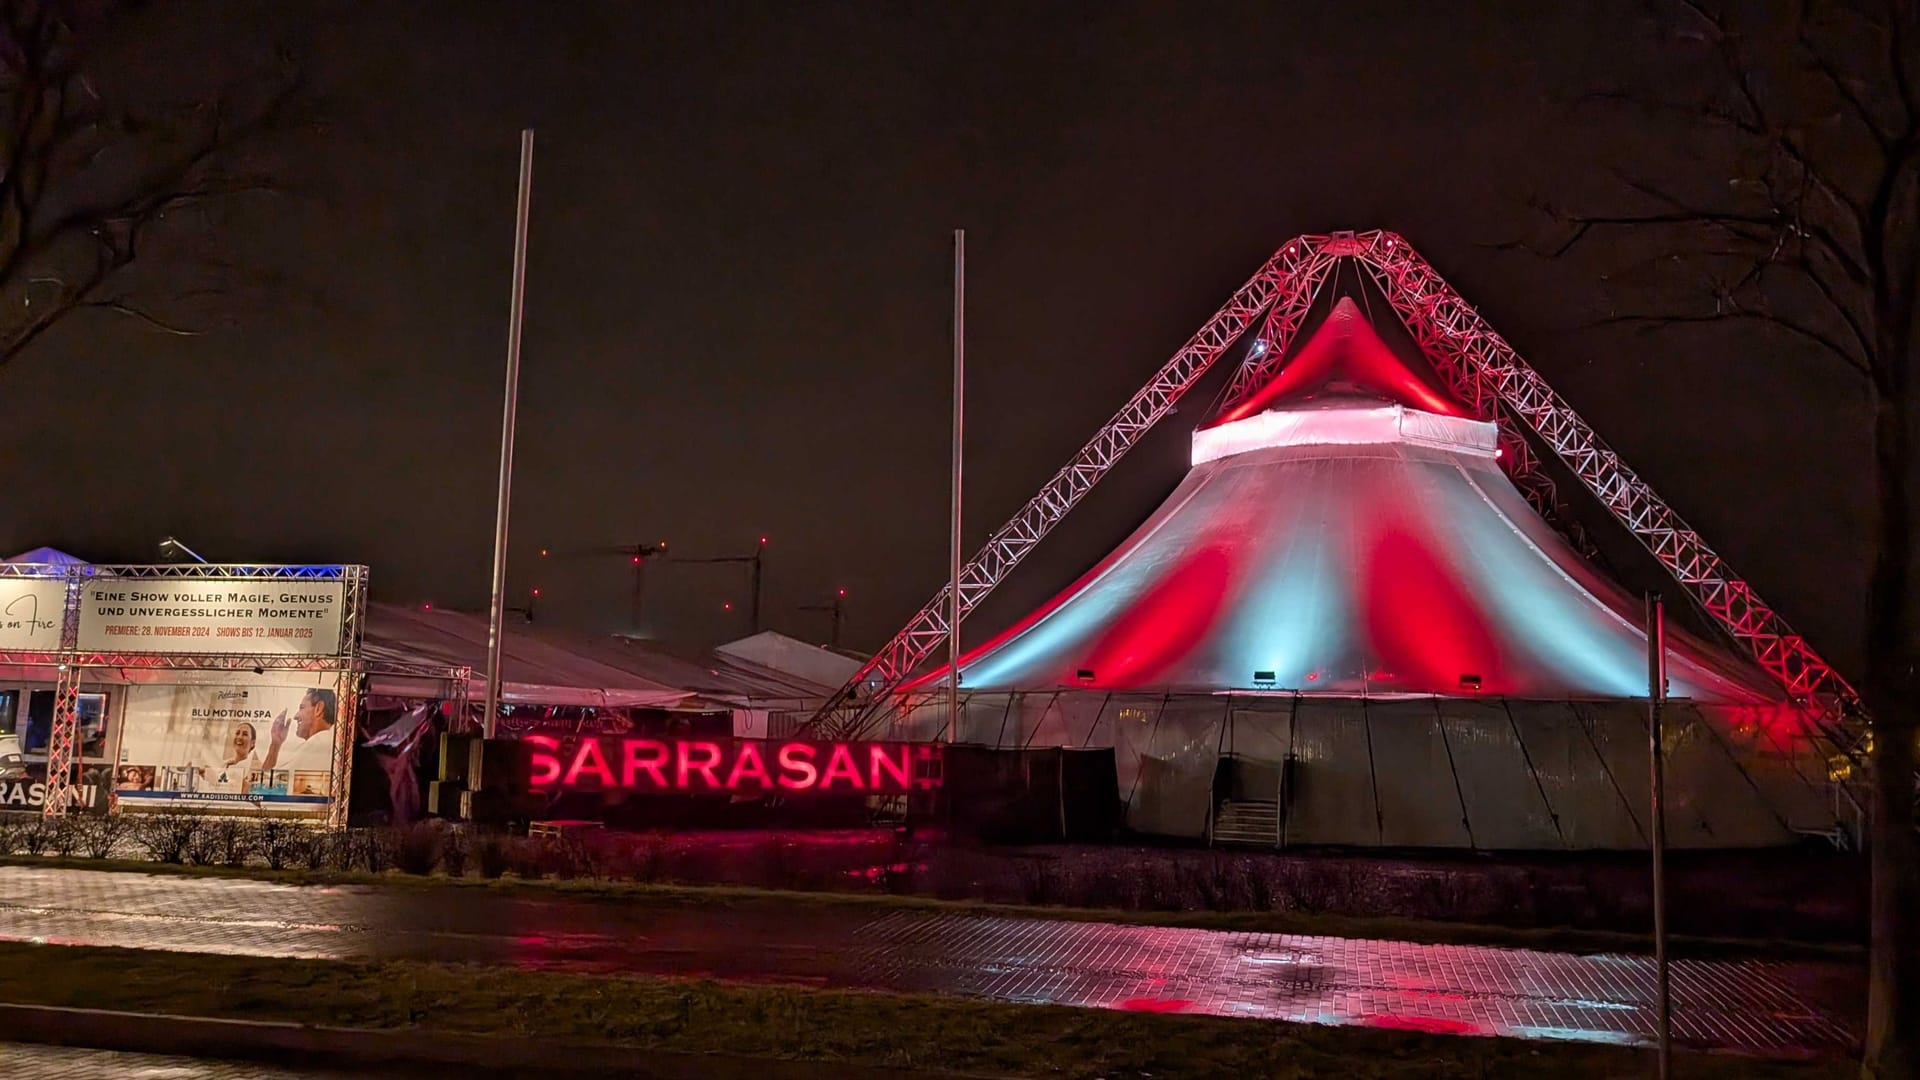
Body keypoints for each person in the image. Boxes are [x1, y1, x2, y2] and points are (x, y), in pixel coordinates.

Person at [263, 688, 337, 776]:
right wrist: (276, 743)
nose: (295, 716)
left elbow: (269, 782)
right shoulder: (325, 742)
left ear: (319, 709)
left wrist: (274, 746)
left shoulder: (316, 745)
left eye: (302, 708)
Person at [196, 722, 260, 794]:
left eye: (245, 734)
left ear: (252, 743)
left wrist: (215, 780)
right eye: (237, 733)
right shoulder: (223, 764)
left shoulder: (255, 769)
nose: (239, 737)